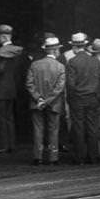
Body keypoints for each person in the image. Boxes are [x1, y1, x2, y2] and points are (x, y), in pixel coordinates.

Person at [66, 37, 100, 164]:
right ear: (84, 46)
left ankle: (79, 158)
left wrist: (71, 98)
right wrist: (99, 96)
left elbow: (70, 84)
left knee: (78, 128)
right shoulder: (95, 62)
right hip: (93, 98)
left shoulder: (72, 62)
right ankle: (93, 157)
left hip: (78, 99)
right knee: (92, 127)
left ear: (74, 47)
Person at [26, 36, 67, 165]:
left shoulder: (34, 64)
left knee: (38, 129)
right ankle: (53, 157)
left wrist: (39, 98)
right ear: (55, 51)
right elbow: (59, 88)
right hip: (53, 103)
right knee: (53, 130)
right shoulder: (60, 67)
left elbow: (29, 84)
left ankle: (37, 156)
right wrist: (47, 100)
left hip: (36, 102)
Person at [0, 24, 23, 154]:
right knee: (9, 118)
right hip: (12, 88)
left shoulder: (3, 52)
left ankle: (3, 145)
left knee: (1, 118)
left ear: (4, 36)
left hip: (1, 89)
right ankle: (11, 144)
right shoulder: (17, 51)